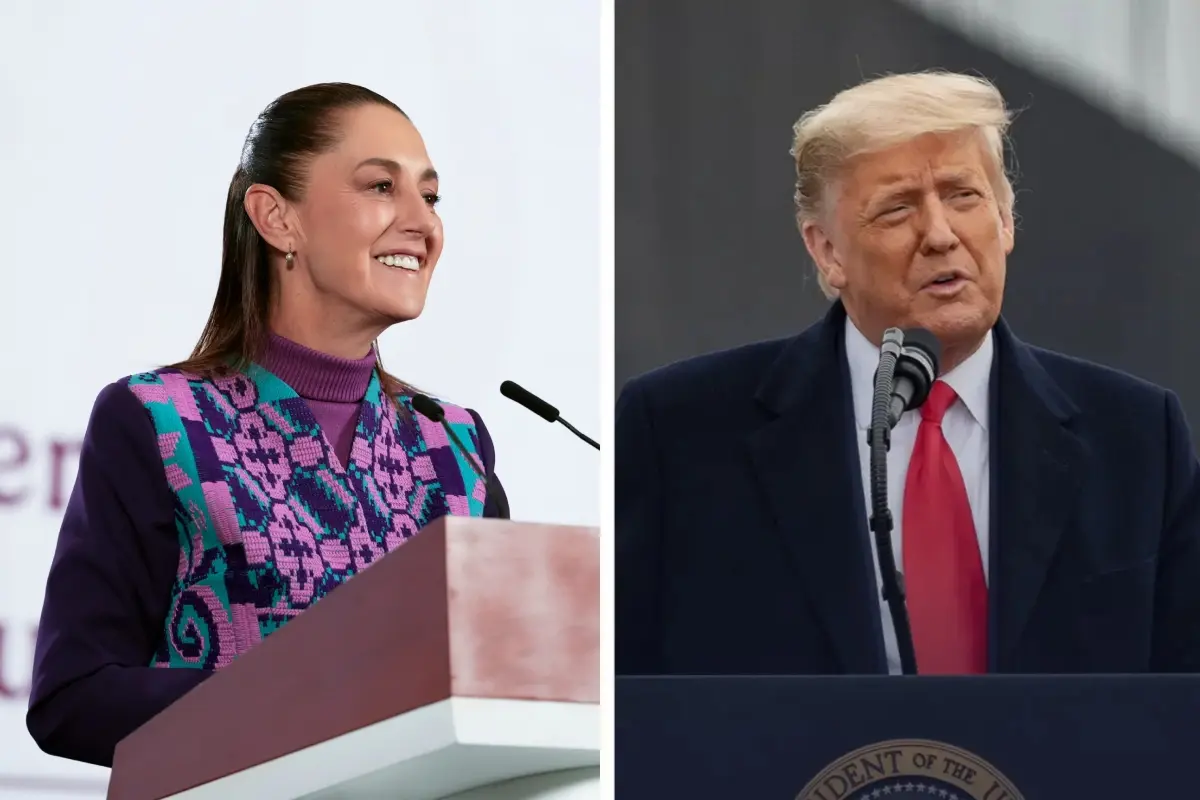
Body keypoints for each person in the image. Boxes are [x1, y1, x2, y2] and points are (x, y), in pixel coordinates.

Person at [615, 70, 1200, 677]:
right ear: (827, 251)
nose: (941, 236)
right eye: (897, 210)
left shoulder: (1136, 438)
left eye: (964, 196)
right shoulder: (681, 433)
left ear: (1006, 220)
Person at [27, 83, 509, 767]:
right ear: (277, 218)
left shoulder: (455, 449)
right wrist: (305, 706)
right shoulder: (159, 421)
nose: (421, 223)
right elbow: (72, 699)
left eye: (429, 198)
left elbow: (498, 700)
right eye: (380, 187)